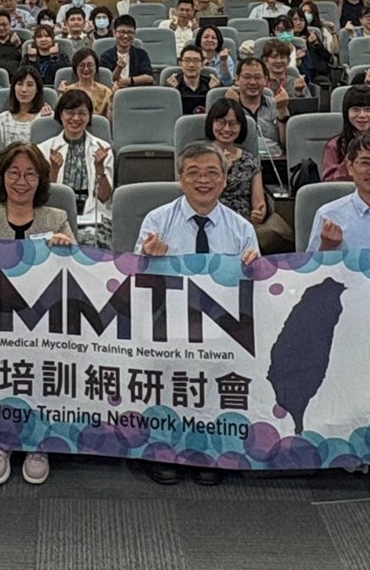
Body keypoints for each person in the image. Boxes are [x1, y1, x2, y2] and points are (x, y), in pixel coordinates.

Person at [134, 141, 257, 486]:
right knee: (165, 378)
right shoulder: (157, 220)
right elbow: (134, 281)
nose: (203, 180)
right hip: (168, 325)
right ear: (180, 178)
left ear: (225, 179)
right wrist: (148, 257)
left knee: (221, 379)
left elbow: (253, 292)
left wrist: (254, 269)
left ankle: (211, 449)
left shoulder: (241, 228)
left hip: (220, 328)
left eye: (212, 173)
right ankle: (162, 448)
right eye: (194, 173)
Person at [0, 142, 74, 484]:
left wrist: (67, 250)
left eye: (30, 174)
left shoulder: (56, 218)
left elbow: (79, 273)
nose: (21, 182)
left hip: (44, 318)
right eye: (14, 173)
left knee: (44, 369)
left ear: (41, 179)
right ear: (2, 177)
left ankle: (38, 441)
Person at [205, 99, 293, 253]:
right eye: (221, 122)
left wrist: (259, 214)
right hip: (208, 221)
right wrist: (222, 171)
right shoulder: (199, 158)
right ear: (211, 123)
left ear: (241, 127)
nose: (227, 129)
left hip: (242, 225)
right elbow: (197, 195)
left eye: (233, 124)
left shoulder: (249, 161)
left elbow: (259, 203)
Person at [36, 89, 113, 225]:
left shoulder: (102, 148)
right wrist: (54, 170)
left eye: (82, 113)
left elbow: (104, 197)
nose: (76, 118)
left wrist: (99, 168)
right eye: (70, 112)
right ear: (60, 115)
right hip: (55, 217)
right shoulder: (44, 149)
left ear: (89, 116)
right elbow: (44, 198)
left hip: (94, 218)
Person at [232, 57, 286, 156]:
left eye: (257, 77)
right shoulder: (230, 106)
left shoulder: (277, 104)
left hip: (275, 159)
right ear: (237, 79)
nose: (253, 82)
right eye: (247, 77)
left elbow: (286, 144)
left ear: (265, 80)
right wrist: (231, 108)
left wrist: (282, 110)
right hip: (240, 160)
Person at [0, 67, 54, 145]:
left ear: (37, 89)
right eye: (20, 84)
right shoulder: (3, 118)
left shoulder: (46, 117)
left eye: (30, 85)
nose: (24, 89)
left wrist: (45, 122)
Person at [100, 15, 154, 91]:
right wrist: (119, 68)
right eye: (122, 32)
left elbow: (149, 77)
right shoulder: (105, 56)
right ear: (114, 33)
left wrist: (129, 81)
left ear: (134, 34)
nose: (125, 36)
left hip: (136, 92)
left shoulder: (141, 54)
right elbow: (107, 80)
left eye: (130, 32)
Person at [59, 48, 113, 117]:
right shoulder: (67, 91)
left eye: (90, 65)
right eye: (81, 65)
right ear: (75, 68)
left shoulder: (106, 91)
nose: (86, 69)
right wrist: (62, 96)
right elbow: (59, 116)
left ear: (96, 67)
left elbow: (110, 119)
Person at [168, 44, 213, 114]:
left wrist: (213, 91)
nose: (191, 65)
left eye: (196, 60)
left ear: (202, 64)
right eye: (187, 60)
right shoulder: (172, 85)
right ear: (180, 63)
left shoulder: (210, 84)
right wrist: (172, 92)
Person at [0, 10, 23, 77]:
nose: (1, 28)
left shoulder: (18, 40)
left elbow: (27, 62)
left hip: (17, 77)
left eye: (4, 24)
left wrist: (18, 46)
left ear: (10, 25)